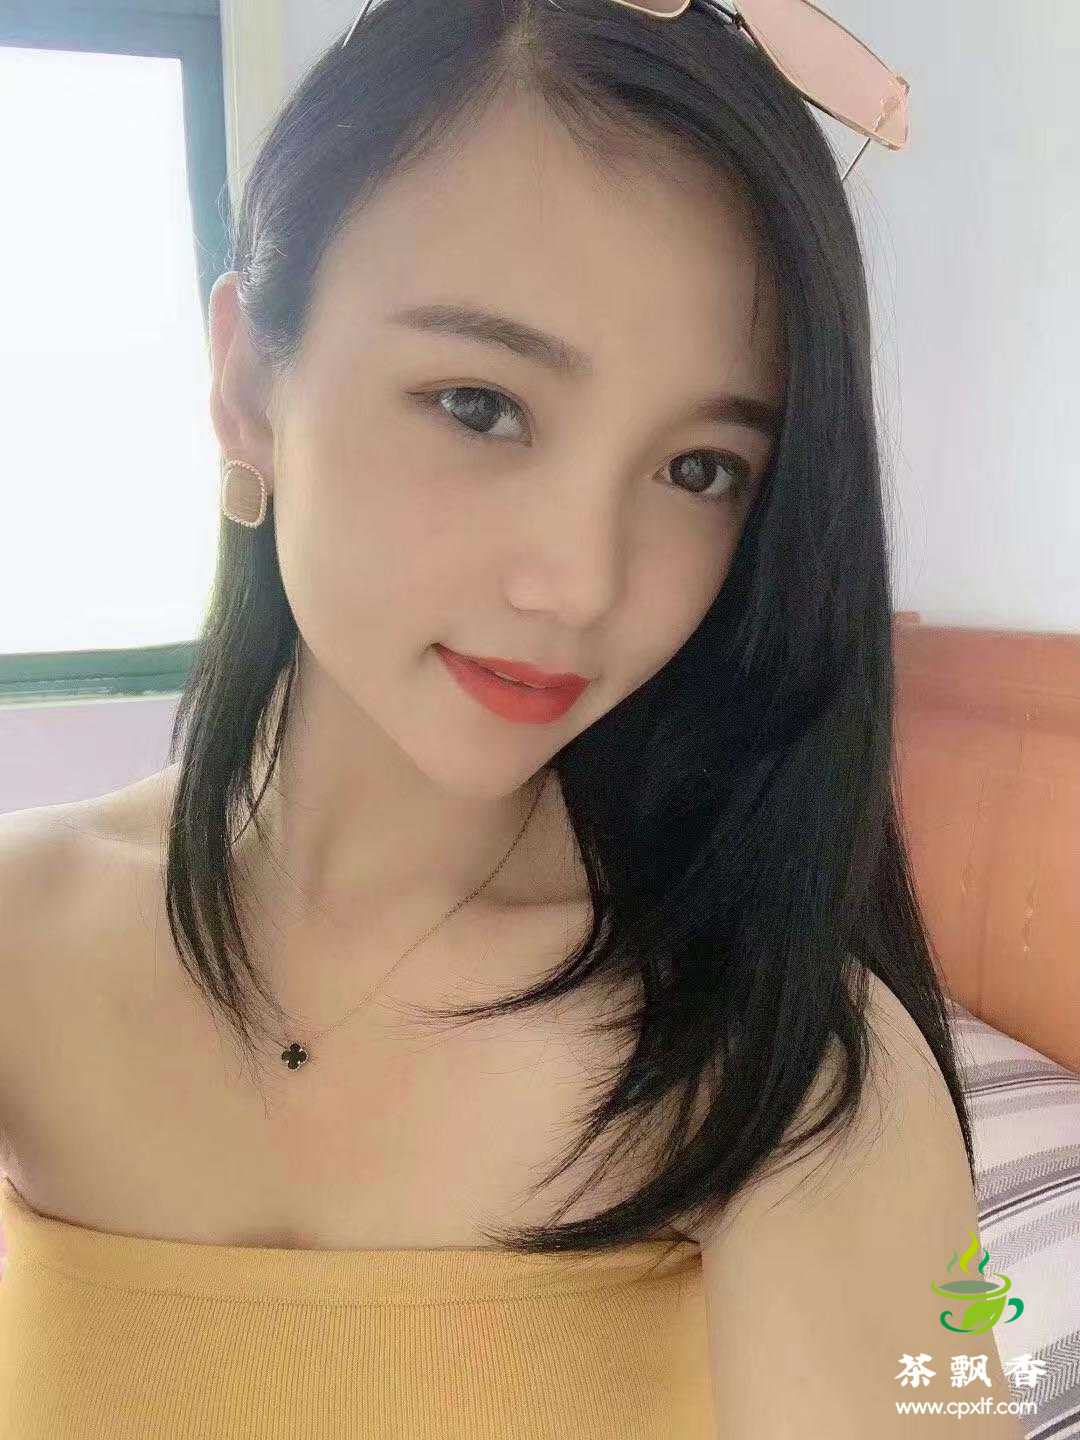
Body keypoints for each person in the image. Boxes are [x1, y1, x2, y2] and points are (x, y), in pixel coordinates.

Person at [0, 0, 1024, 1435]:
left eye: (700, 469)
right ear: (247, 386)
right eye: (480, 404)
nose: (580, 581)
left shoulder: (783, 1067)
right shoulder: (23, 936)